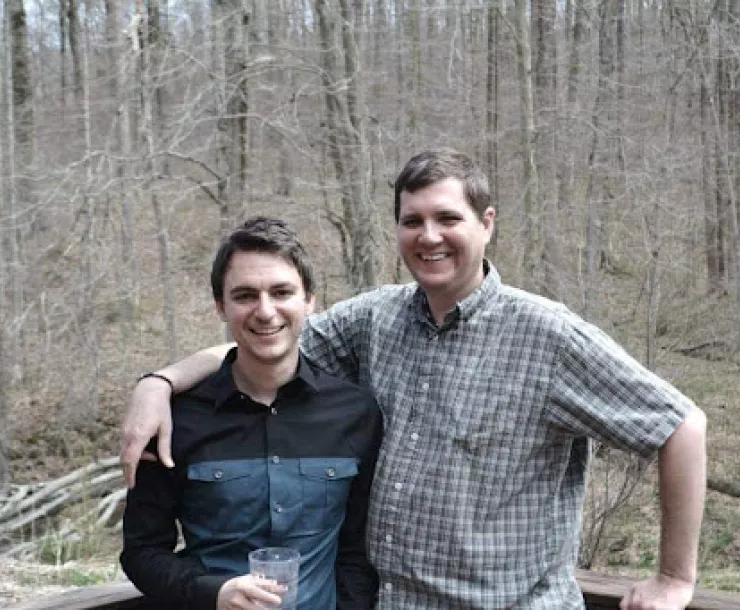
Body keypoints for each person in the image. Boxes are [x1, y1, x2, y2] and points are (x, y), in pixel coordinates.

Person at [121, 150, 707, 610]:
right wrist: (159, 382)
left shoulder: (548, 335)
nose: (429, 236)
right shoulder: (376, 318)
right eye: (412, 221)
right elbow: (266, 341)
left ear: (487, 223)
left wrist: (674, 576)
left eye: (447, 218)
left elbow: (680, 425)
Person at [120, 217, 382, 610]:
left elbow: (355, 551)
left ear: (309, 300)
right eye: (245, 295)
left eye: (281, 292)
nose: (265, 311)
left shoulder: (354, 413)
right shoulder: (177, 421)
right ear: (220, 307)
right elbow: (141, 553)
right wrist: (213, 593)